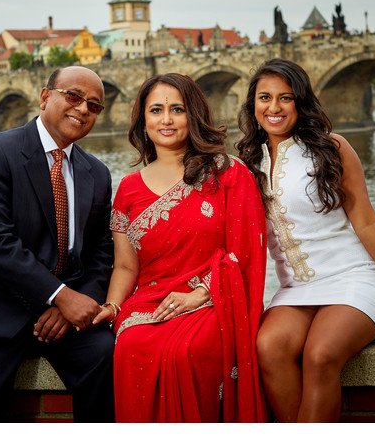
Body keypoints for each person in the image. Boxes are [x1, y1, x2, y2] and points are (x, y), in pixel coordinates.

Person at [236, 58, 375, 423]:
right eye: (264, 98)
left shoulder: (331, 148)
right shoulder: (246, 162)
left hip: (353, 279)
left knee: (320, 355)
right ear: (252, 105)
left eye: (285, 98)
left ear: (301, 102)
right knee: (268, 348)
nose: (274, 107)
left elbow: (366, 222)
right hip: (296, 289)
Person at [91, 73, 267, 422]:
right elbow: (126, 267)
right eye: (156, 110)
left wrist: (200, 295)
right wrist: (112, 306)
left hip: (212, 301)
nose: (167, 119)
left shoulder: (228, 172)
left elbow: (244, 255)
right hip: (151, 302)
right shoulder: (128, 188)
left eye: (177, 109)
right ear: (143, 119)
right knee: (131, 343)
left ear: (195, 115)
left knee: (190, 350)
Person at [0, 66, 116, 422]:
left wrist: (72, 301)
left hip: (61, 315)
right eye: (74, 96)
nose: (83, 109)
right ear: (44, 97)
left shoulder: (96, 172)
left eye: (94, 106)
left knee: (108, 356)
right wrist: (60, 295)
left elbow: (101, 251)